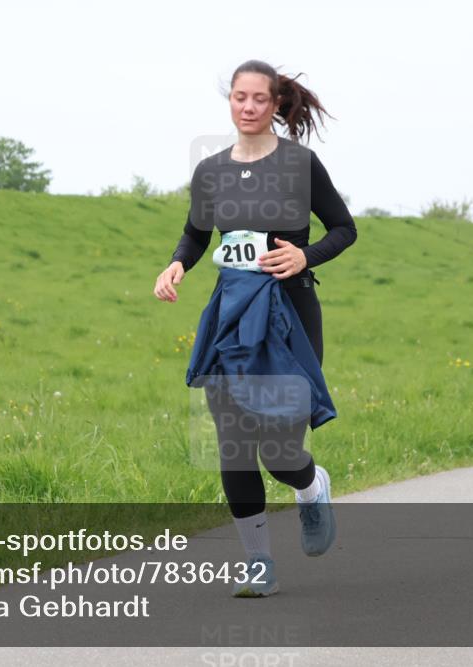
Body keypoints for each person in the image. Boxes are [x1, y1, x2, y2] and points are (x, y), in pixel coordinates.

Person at [153, 59, 357, 597]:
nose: (248, 107)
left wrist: (305, 255)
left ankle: (310, 487)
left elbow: (344, 228)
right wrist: (177, 264)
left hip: (289, 316)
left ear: (276, 104)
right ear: (230, 101)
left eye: (259, 99)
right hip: (232, 313)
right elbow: (197, 234)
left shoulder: (299, 163)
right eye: (239, 97)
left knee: (281, 454)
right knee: (235, 444)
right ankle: (258, 563)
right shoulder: (211, 170)